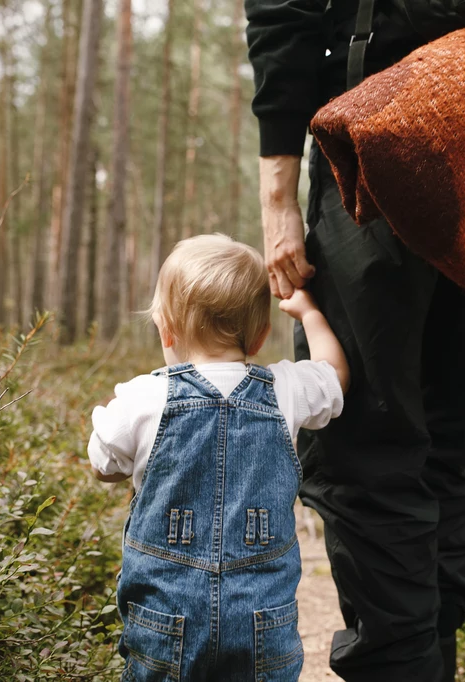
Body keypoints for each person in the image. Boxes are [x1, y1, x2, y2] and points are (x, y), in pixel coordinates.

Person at [244, 1, 465, 680]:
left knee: (370, 445)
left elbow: (285, 8)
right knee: (435, 447)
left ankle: (409, 666)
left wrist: (277, 192)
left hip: (393, 129)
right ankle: (424, 662)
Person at [87, 233, 349, 680]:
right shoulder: (285, 391)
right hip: (263, 624)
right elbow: (336, 375)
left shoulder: (145, 398)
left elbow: (103, 463)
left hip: (163, 621)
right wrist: (308, 313)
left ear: (166, 329)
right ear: (262, 335)